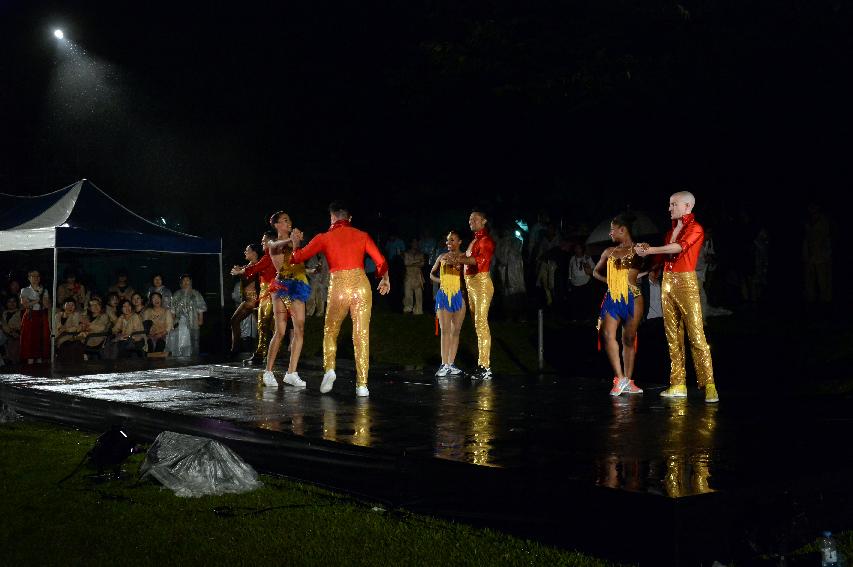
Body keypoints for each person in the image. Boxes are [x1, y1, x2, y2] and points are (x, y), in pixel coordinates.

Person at [289, 201, 390, 397]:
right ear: (348, 218)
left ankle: (330, 369)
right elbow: (381, 261)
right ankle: (362, 385)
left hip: (339, 285)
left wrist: (294, 243)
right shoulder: (362, 235)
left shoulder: (324, 237)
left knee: (331, 329)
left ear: (332, 217)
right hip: (361, 284)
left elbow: (297, 258)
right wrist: (384, 278)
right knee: (361, 334)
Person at [636, 191, 718, 403]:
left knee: (696, 334)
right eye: (670, 204)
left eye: (674, 204)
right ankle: (678, 383)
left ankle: (709, 384)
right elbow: (664, 257)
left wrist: (651, 249)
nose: (669, 208)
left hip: (686, 282)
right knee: (673, 336)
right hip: (668, 282)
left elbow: (679, 248)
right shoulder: (670, 231)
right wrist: (644, 266)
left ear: (687, 207)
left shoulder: (695, 228)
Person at [592, 214, 645, 396]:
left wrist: (645, 251)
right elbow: (595, 272)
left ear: (623, 230)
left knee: (629, 338)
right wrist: (610, 281)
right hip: (612, 298)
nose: (610, 233)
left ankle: (629, 381)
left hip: (633, 297)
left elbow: (648, 260)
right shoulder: (609, 252)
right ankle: (619, 377)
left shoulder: (638, 249)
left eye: (612, 229)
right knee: (607, 335)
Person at [263, 211, 311, 388]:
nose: (288, 223)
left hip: (297, 286)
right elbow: (279, 246)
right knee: (281, 330)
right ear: (276, 225)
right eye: (284, 221)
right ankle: (268, 371)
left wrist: (311, 269)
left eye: (289, 220)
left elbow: (298, 262)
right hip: (282, 286)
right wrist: (293, 240)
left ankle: (291, 372)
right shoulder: (274, 243)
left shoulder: (293, 242)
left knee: (299, 328)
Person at [446, 209, 495, 379]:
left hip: (481, 283)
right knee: (477, 325)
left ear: (484, 221)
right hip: (471, 285)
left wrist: (459, 259)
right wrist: (459, 262)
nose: (471, 221)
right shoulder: (474, 241)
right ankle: (482, 365)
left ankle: (485, 366)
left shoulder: (486, 241)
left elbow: (480, 261)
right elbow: (468, 262)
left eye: (475, 219)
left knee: (481, 324)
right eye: (469, 219)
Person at [232, 230, 278, 365]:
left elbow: (256, 268)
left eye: (264, 241)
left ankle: (260, 353)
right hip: (267, 293)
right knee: (269, 325)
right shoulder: (270, 255)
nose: (262, 242)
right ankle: (267, 352)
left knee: (265, 324)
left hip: (267, 293)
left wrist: (241, 271)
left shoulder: (269, 256)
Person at [429, 230, 467, 377]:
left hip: (458, 296)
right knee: (445, 331)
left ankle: (451, 363)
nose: (449, 243)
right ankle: (444, 364)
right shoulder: (442, 257)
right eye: (447, 240)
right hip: (444, 295)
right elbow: (431, 274)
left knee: (456, 331)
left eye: (452, 240)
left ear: (459, 242)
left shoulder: (464, 257)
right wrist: (440, 281)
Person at [228, 243, 262, 356]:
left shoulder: (257, 265)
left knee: (235, 321)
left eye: (247, 250)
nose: (245, 252)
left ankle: (236, 349)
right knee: (260, 326)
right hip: (249, 300)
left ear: (254, 253)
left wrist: (239, 270)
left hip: (252, 300)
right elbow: (245, 269)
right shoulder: (249, 265)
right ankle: (237, 348)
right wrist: (239, 269)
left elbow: (249, 272)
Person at [171, 274, 207, 357]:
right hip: (180, 322)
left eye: (187, 280)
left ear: (190, 282)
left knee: (195, 340)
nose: (185, 282)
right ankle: (181, 360)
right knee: (180, 341)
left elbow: (200, 307)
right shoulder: (177, 294)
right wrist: (172, 321)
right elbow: (172, 309)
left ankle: (195, 359)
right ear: (180, 283)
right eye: (183, 281)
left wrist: (200, 319)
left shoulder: (196, 293)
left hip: (193, 320)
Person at [19, 270, 51, 364]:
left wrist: (35, 299)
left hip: (41, 315)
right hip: (30, 316)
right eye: (33, 276)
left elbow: (46, 305)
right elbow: (25, 305)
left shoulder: (44, 290)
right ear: (29, 278)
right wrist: (37, 299)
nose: (36, 278)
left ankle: (40, 363)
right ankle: (29, 362)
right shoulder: (25, 290)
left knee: (41, 339)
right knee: (30, 339)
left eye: (37, 276)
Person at [568, 243, 596, 322]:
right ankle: (575, 317)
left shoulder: (587, 258)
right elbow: (570, 270)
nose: (577, 250)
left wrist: (587, 266)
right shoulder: (572, 258)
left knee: (584, 301)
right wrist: (569, 279)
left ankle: (585, 317)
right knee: (575, 301)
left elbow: (594, 268)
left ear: (582, 249)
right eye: (576, 248)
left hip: (585, 282)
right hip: (574, 283)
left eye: (579, 248)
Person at [402, 238, 426, 315]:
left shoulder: (420, 254)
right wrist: (417, 262)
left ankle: (418, 310)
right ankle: (408, 308)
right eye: (414, 243)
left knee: (419, 294)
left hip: (418, 276)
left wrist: (412, 263)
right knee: (408, 293)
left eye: (417, 243)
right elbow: (406, 263)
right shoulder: (407, 253)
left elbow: (422, 264)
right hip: (409, 275)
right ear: (411, 244)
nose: (416, 244)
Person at [305, 253, 329, 317]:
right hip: (313, 279)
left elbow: (327, 270)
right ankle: (309, 311)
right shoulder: (313, 257)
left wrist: (325, 280)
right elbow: (308, 268)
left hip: (322, 280)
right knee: (310, 296)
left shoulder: (325, 258)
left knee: (320, 297)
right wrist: (311, 274)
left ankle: (320, 312)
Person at [1, 296, 22, 365]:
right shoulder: (4, 313)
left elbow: (19, 326)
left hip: (17, 336)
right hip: (6, 336)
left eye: (14, 301)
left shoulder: (21, 313)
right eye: (9, 301)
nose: (12, 303)